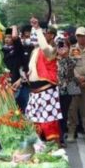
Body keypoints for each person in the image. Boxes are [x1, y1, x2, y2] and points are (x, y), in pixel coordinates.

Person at [25, 17, 62, 145]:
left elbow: (45, 48)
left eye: (43, 33)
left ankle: (56, 151)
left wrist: (37, 29)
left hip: (47, 92)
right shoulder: (35, 50)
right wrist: (26, 76)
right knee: (33, 122)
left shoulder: (52, 50)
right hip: (34, 92)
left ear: (51, 35)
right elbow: (31, 68)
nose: (38, 35)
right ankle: (37, 149)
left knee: (49, 122)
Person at [67, 26, 85, 143]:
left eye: (82, 36)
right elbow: (70, 66)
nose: (80, 38)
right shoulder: (72, 49)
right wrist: (78, 78)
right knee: (72, 107)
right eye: (78, 36)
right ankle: (71, 132)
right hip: (74, 82)